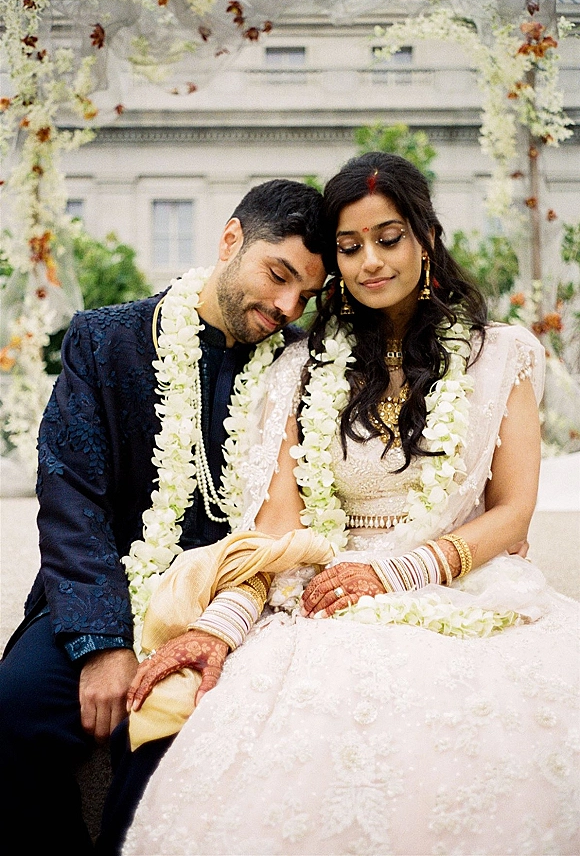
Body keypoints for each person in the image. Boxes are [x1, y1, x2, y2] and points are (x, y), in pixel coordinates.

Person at [120, 152, 579, 856]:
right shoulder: (300, 367)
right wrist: (218, 627)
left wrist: (396, 573)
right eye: (350, 246)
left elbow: (513, 512)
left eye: (388, 237)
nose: (371, 261)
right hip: (321, 596)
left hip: (463, 585)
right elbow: (279, 528)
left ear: (426, 236)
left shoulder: (501, 354)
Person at [0, 178, 328, 855]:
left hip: (234, 612)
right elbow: (71, 499)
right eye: (279, 274)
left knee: (175, 751)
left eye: (307, 293)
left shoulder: (302, 366)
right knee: (14, 710)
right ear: (231, 239)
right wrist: (103, 642)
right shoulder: (104, 341)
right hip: (106, 588)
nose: (287, 304)